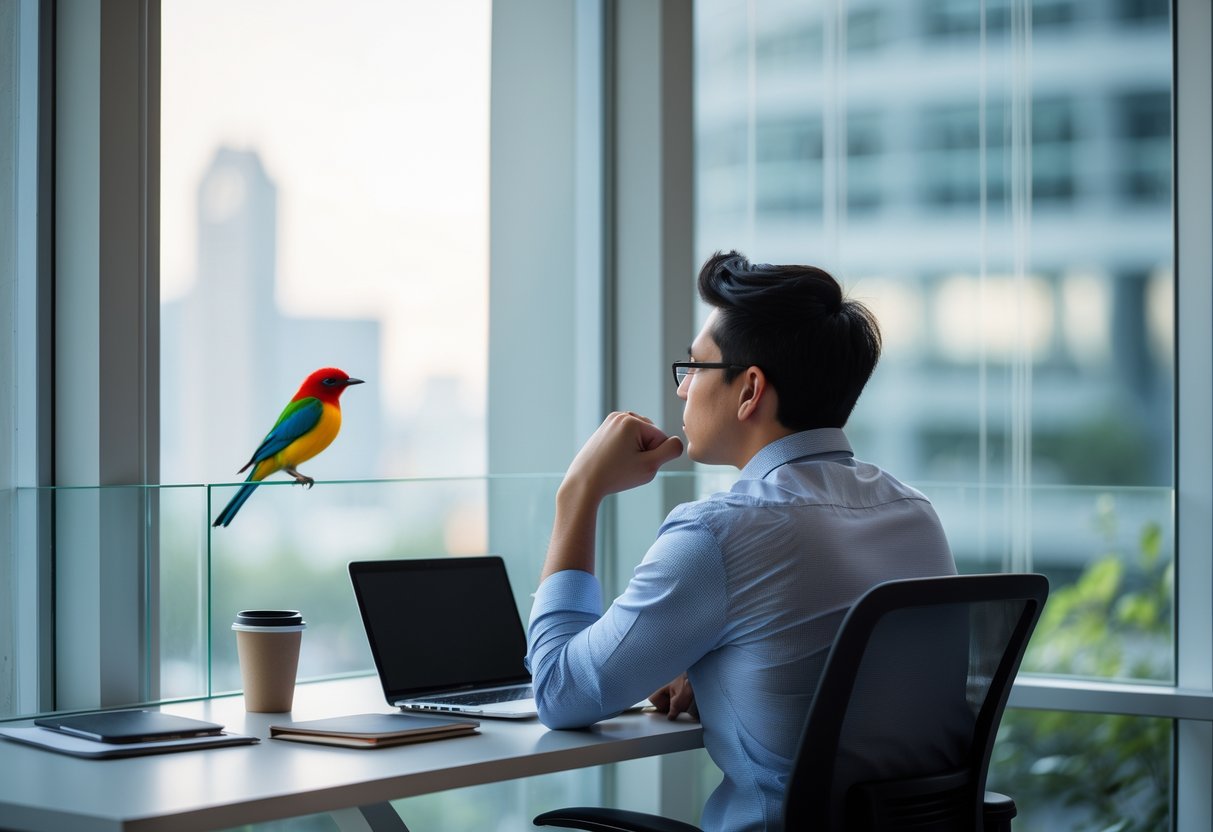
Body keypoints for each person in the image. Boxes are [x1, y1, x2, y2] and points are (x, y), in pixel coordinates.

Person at [526, 251, 957, 832]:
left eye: (695, 367)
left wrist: (577, 495)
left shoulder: (718, 533)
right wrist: (724, 667)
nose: (682, 391)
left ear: (749, 389)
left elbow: (558, 690)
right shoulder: (913, 514)